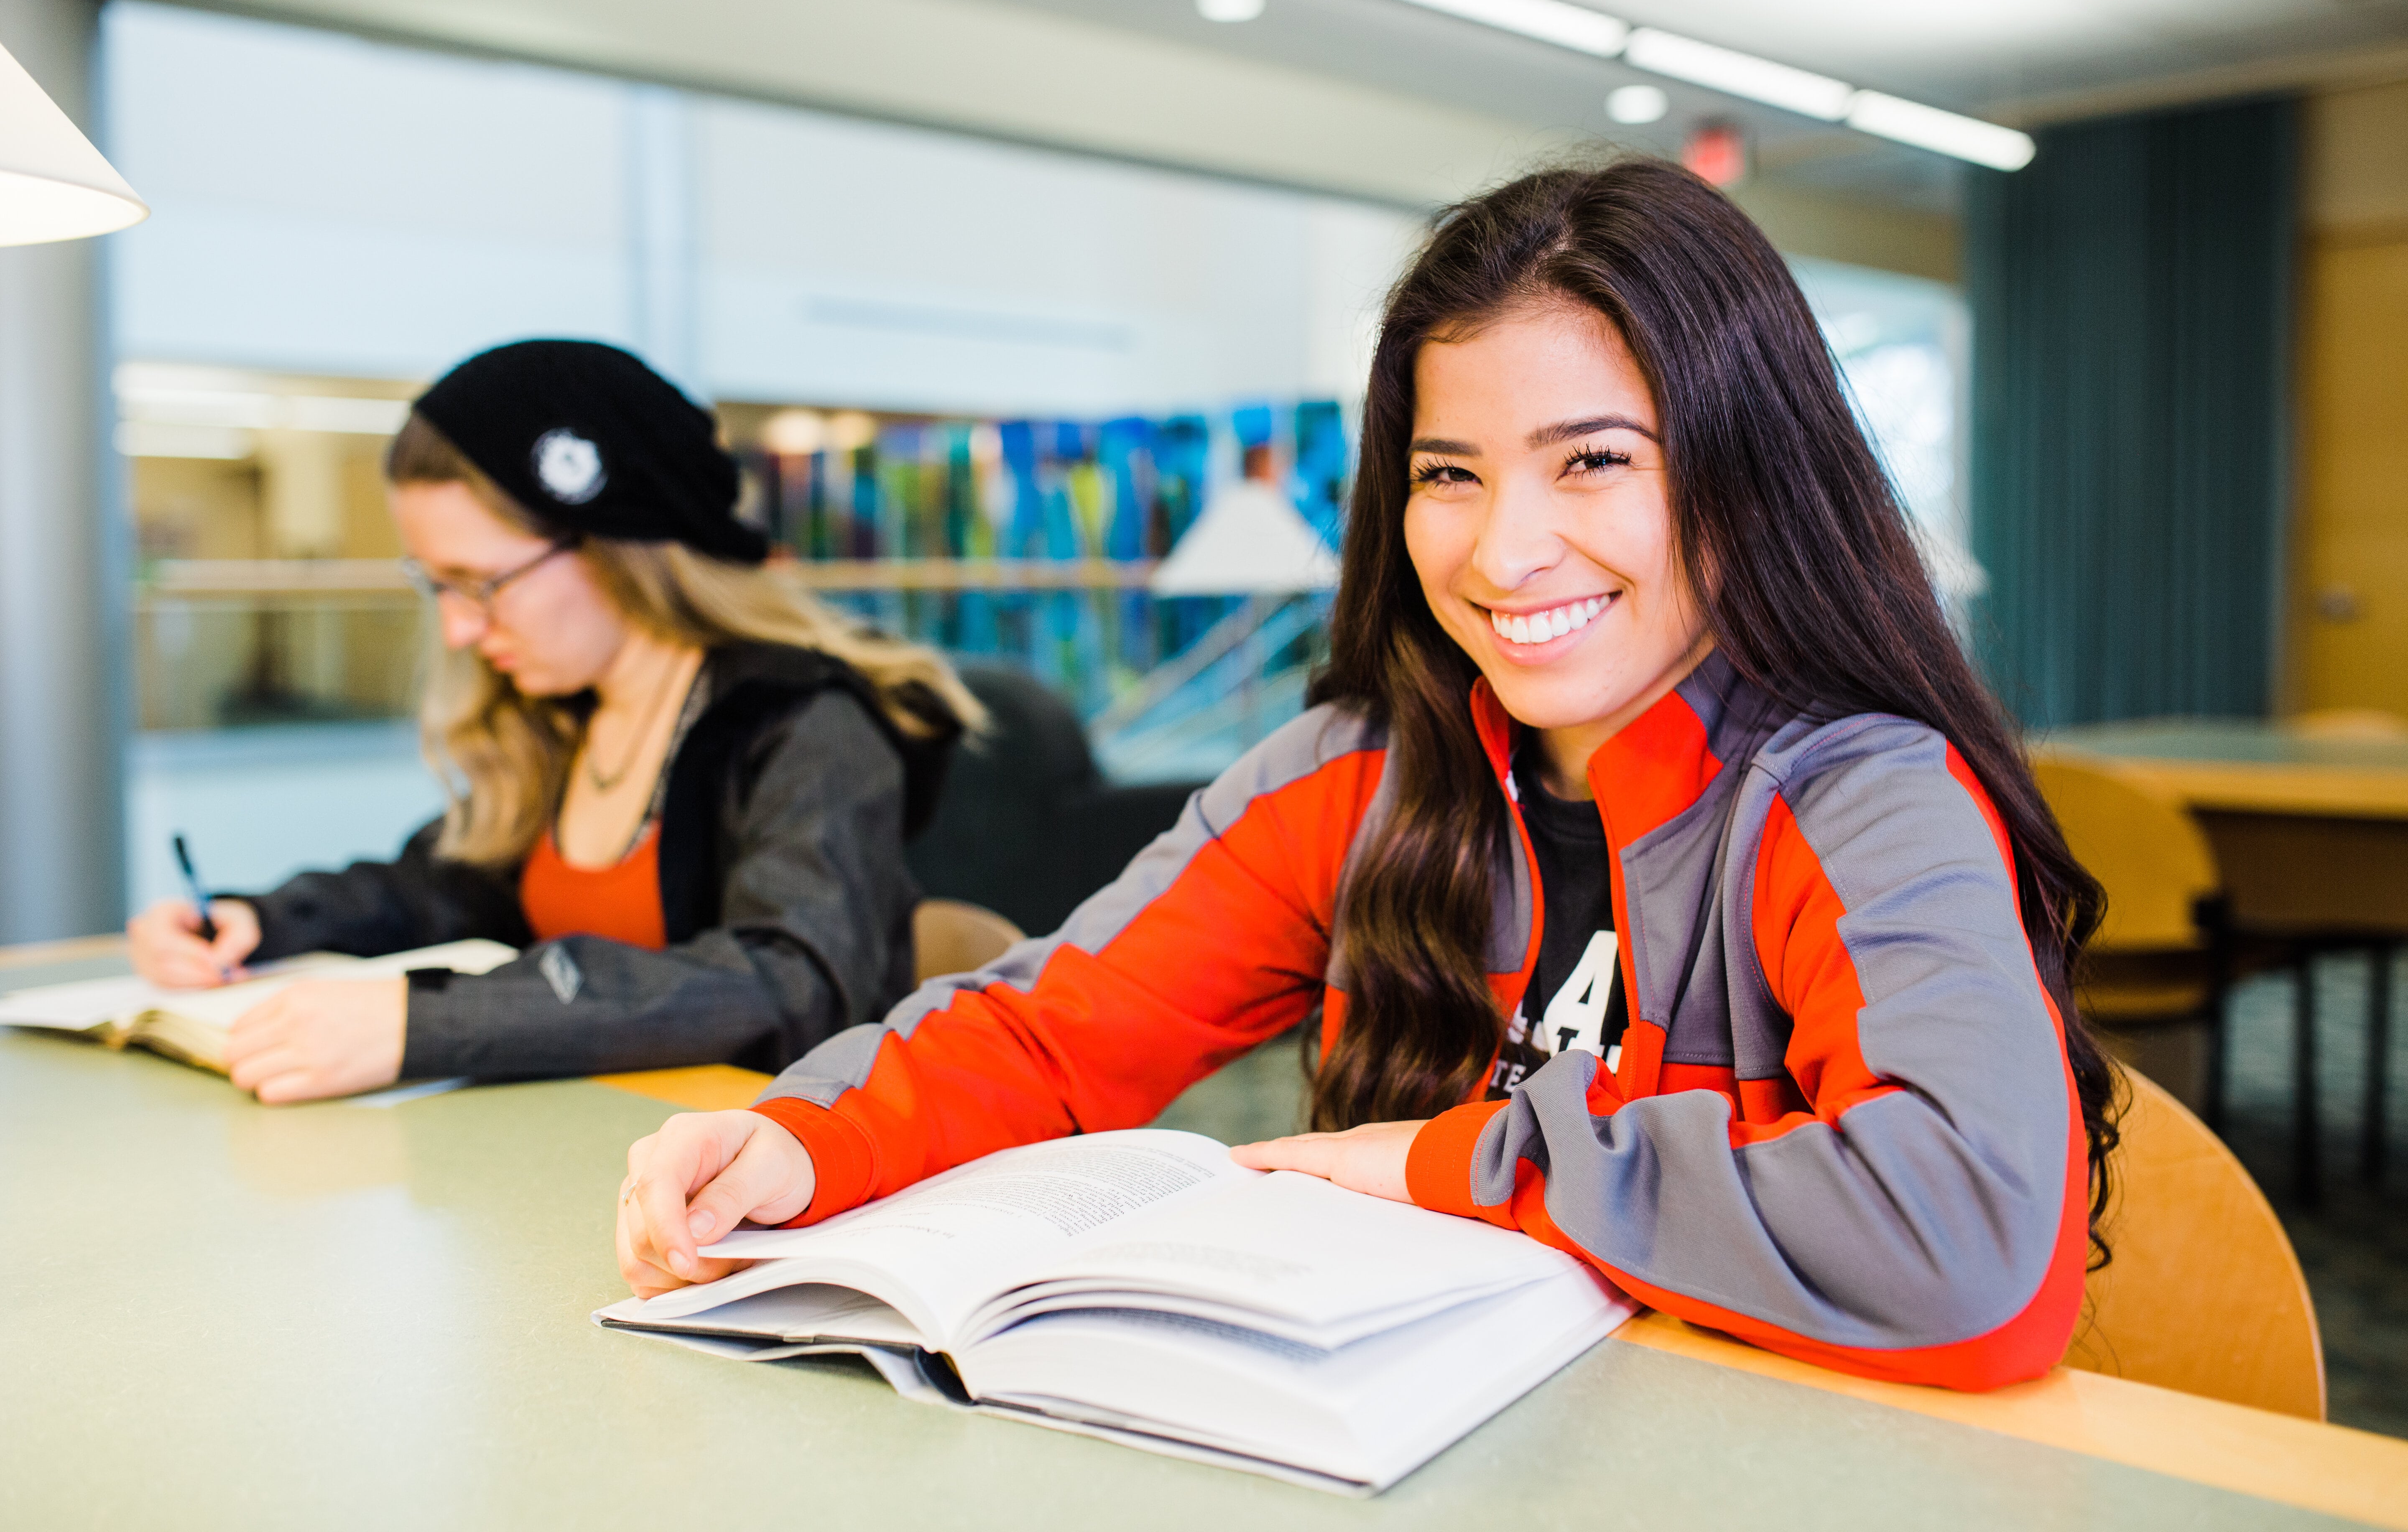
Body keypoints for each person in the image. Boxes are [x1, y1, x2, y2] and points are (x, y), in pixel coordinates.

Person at [612, 163, 2120, 1392]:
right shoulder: (1359, 772)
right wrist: (799, 1141)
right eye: (1448, 473)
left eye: (1592, 462)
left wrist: (1452, 1164)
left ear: (1748, 475)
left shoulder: (1866, 796)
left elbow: (1965, 1243)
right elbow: (1056, 1032)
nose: (1500, 550)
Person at [127, 340, 980, 1104]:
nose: (459, 628)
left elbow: (787, 985)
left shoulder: (807, 725)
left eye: (481, 582)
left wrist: (425, 1027)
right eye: (438, 585)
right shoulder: (562, 717)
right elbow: (443, 888)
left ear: (616, 546)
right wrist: (264, 920)